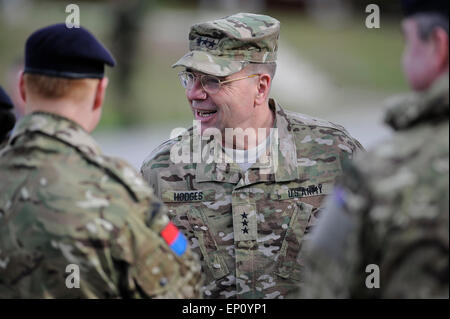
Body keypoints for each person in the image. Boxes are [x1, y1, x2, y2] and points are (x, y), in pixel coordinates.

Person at [141, 12, 364, 299]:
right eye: (190, 78)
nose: (194, 94)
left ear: (260, 87)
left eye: (212, 81)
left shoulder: (336, 154)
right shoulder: (161, 171)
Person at [0, 23, 202, 298]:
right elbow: (182, 283)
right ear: (99, 94)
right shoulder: (118, 192)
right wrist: (172, 237)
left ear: (22, 88)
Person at [301, 0, 449, 298]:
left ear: (438, 45)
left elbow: (322, 285)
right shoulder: (180, 159)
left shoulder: (380, 169)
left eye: (407, 42)